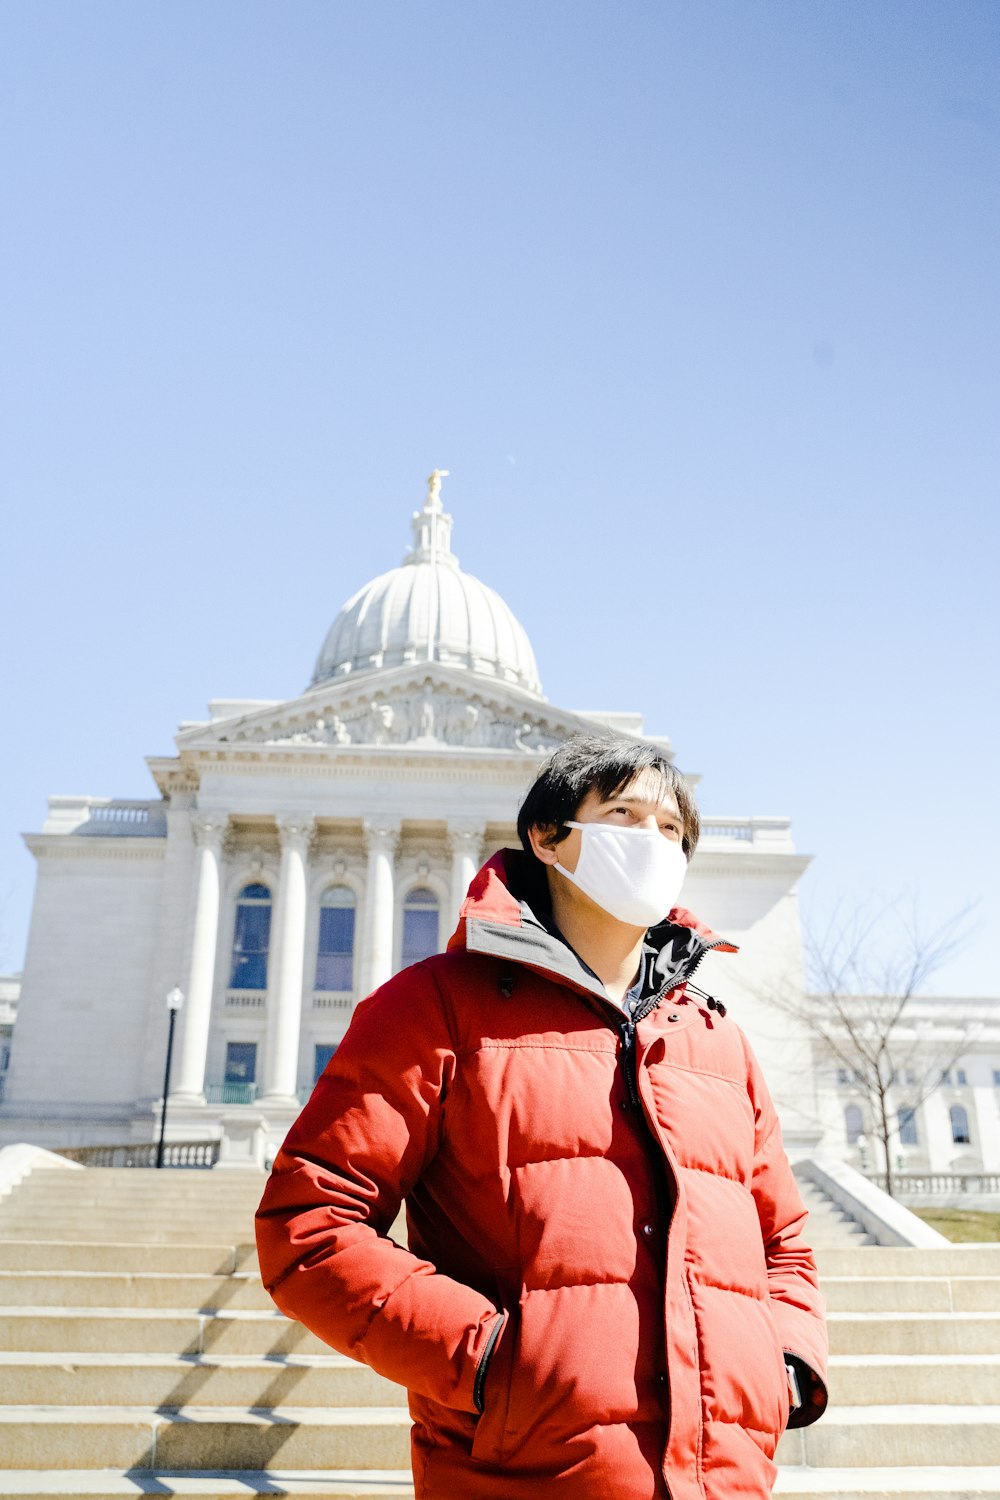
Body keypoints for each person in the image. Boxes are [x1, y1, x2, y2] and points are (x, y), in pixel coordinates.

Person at [256, 735, 828, 1499]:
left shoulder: (716, 1041)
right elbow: (310, 1224)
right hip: (525, 1475)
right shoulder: (434, 1008)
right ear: (548, 838)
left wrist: (780, 1359)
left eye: (671, 830)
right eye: (624, 815)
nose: (652, 843)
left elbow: (783, 1242)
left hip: (721, 1479)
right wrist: (494, 1362)